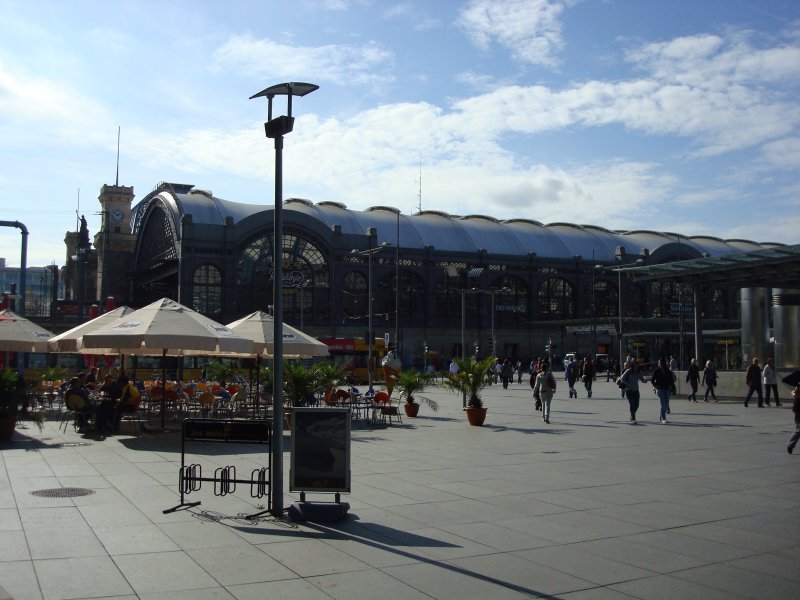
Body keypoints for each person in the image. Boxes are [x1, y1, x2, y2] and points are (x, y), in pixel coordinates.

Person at [651, 357, 675, 424]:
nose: (659, 364)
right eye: (659, 363)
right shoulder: (657, 371)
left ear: (663, 363)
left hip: (667, 389)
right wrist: (655, 386)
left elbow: (671, 380)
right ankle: (663, 419)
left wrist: (672, 387)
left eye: (660, 362)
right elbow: (652, 380)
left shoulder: (667, 370)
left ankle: (661, 415)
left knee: (666, 405)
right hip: (660, 389)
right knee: (663, 405)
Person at [533, 359, 557, 424]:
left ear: (541, 368)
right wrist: (554, 389)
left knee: (543, 404)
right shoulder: (549, 374)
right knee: (548, 405)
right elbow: (554, 382)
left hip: (542, 392)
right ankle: (547, 418)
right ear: (547, 368)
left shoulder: (539, 375)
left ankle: (543, 417)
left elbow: (536, 385)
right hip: (549, 392)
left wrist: (534, 392)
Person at [787, 383, 799, 454]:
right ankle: (790, 445)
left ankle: (790, 445)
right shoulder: (798, 398)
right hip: (799, 418)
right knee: (798, 431)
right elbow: (795, 409)